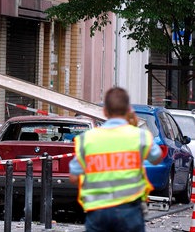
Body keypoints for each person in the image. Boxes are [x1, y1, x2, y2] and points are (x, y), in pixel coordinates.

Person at [69, 87, 162, 232]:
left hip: (97, 211)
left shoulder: (87, 139)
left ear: (105, 111)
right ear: (128, 110)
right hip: (130, 210)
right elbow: (156, 158)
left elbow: (74, 177)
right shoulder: (139, 136)